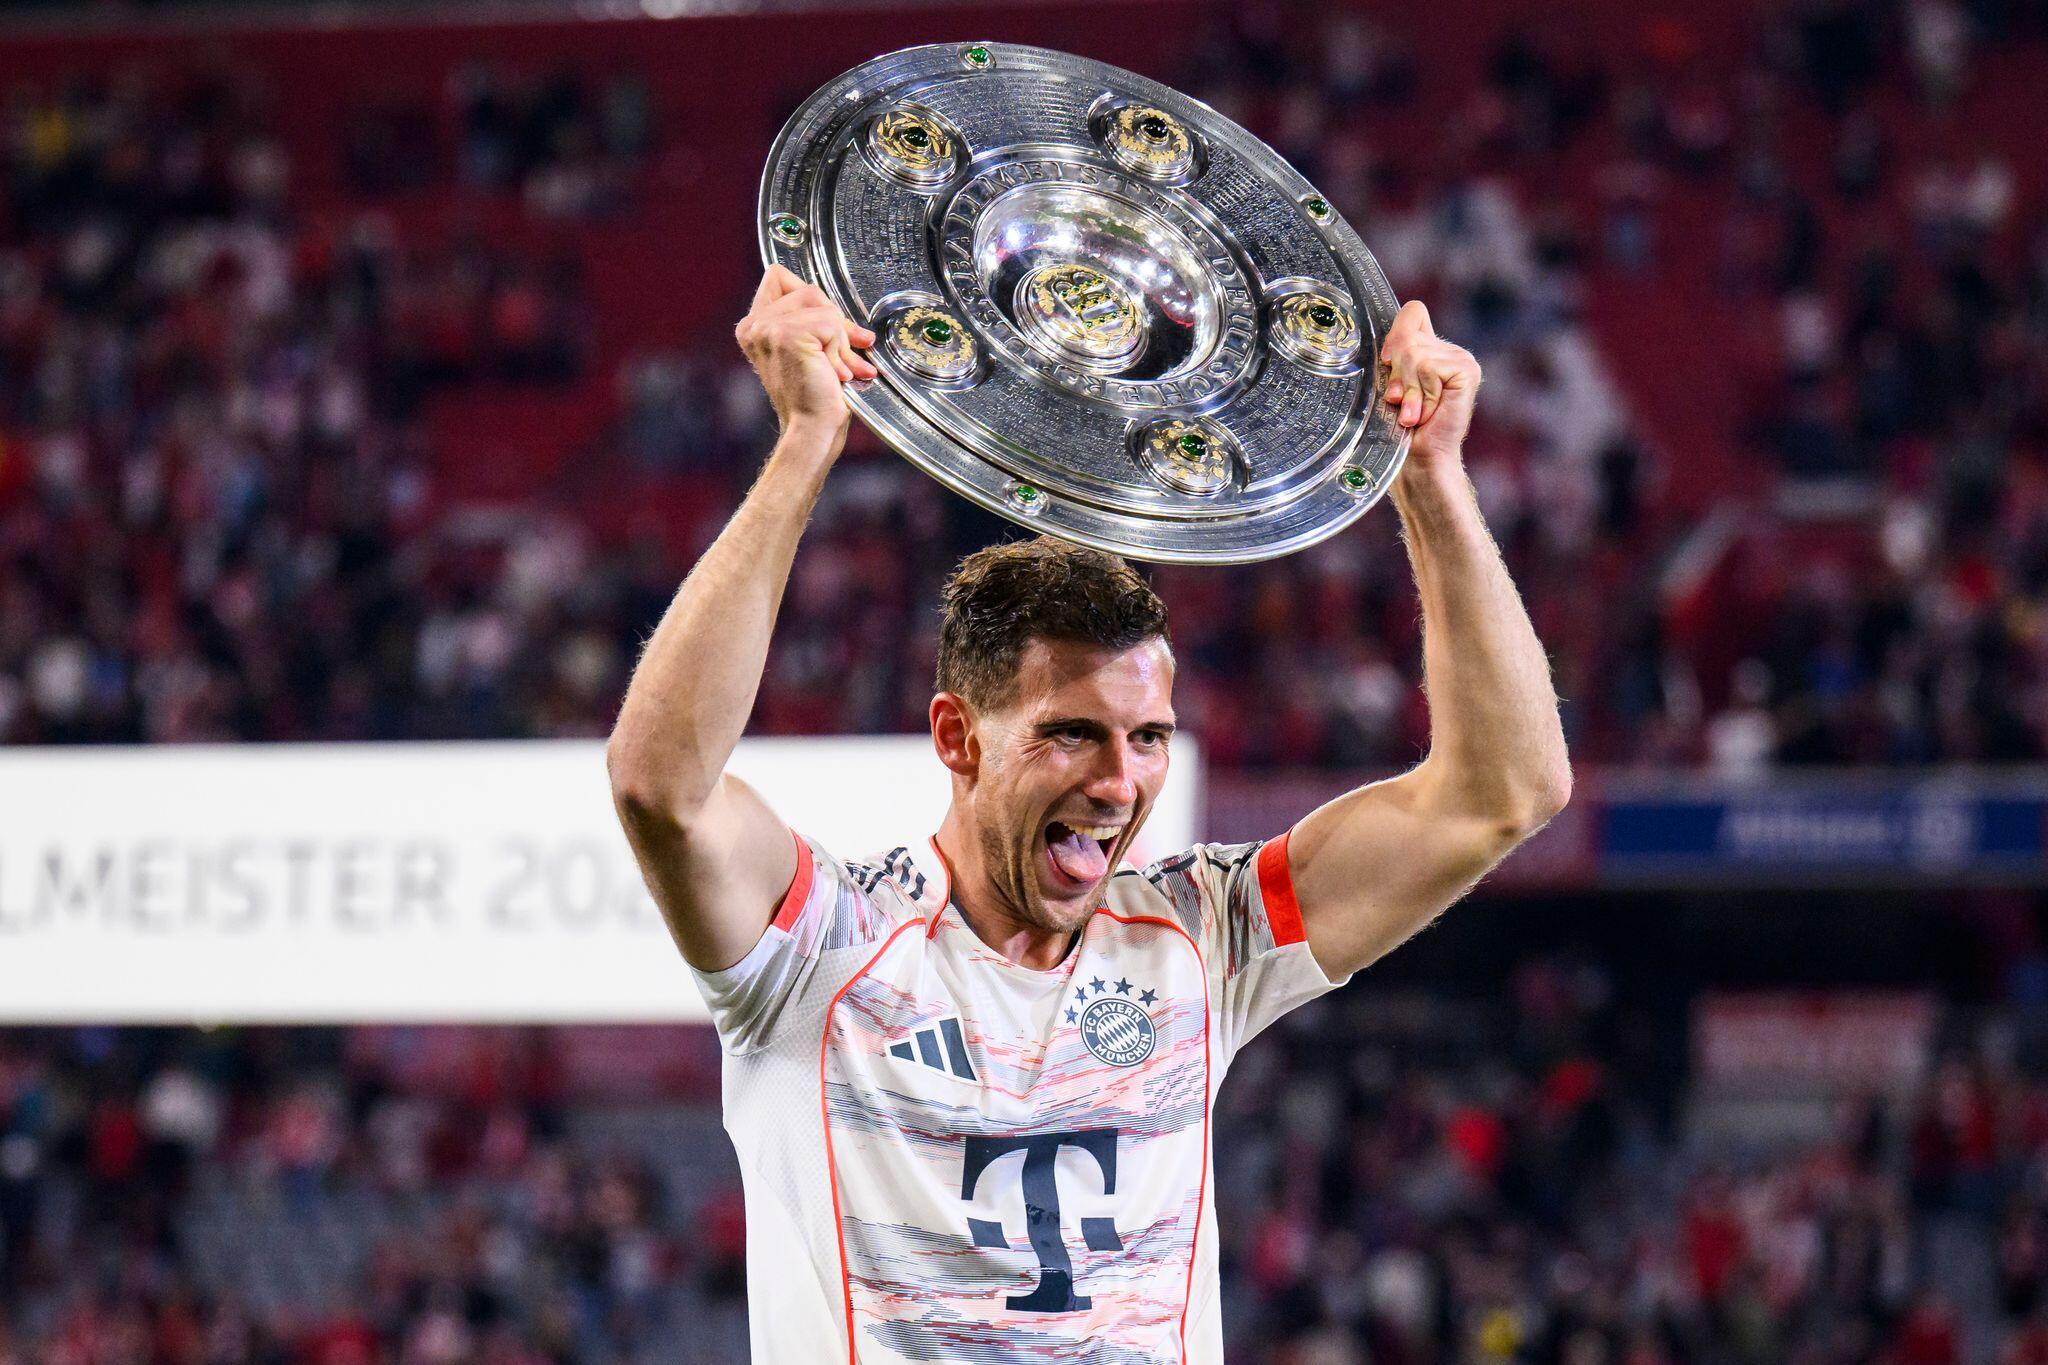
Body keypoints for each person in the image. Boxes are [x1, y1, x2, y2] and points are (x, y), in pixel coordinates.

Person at [607, 263, 1570, 1362]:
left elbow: (1505, 791)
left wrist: (1433, 480)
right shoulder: (825, 950)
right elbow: (660, 787)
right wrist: (803, 448)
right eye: (1071, 733)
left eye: (1147, 736)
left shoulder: (1199, 938)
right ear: (958, 738)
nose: (1119, 782)